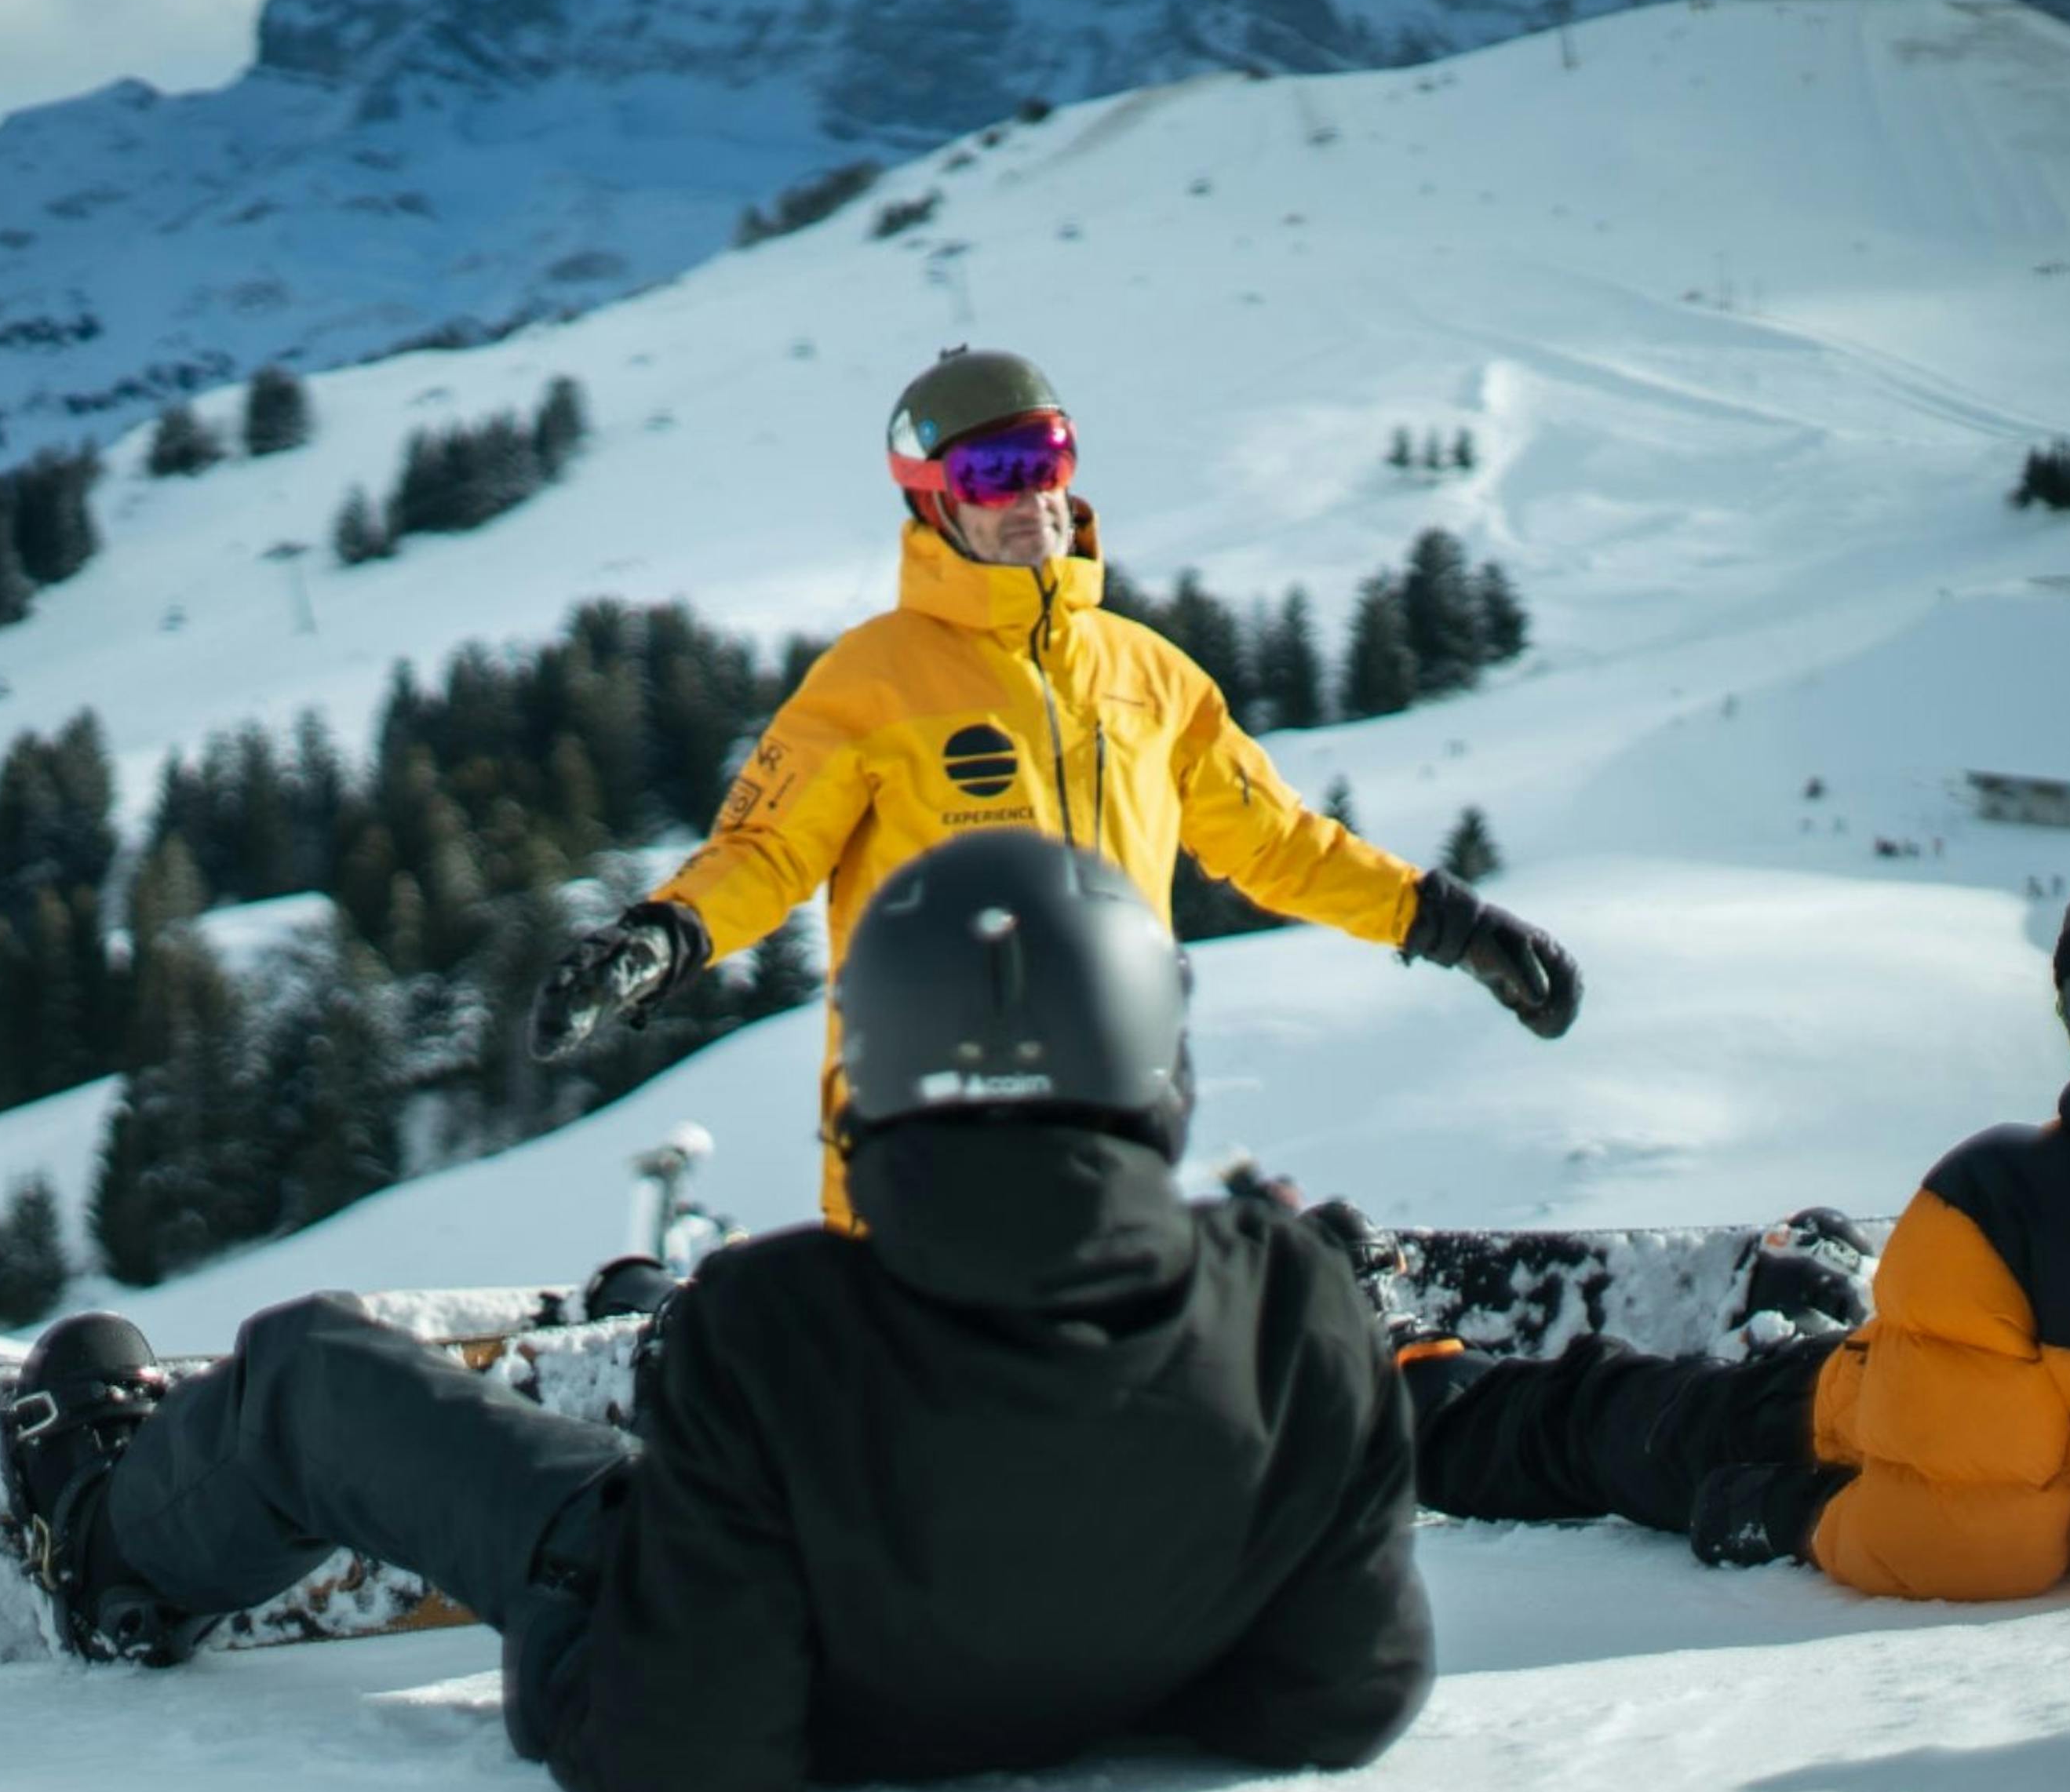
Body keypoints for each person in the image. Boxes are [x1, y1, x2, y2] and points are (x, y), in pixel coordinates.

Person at [0, 832, 1434, 1792]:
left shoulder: (781, 1325)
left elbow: (683, 1770)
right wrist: (1091, 1665)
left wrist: (582, 1645)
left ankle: (108, 1551)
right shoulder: (1294, 1301)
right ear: (1158, 1066)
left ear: (874, 1073)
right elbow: (1344, 1698)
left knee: (314, 1371)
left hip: (693, 1630)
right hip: (852, 1594)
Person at [530, 344, 1581, 1223]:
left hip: (1112, 1129)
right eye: (994, 472)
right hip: (915, 1149)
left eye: (1047, 458)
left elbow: (1278, 845)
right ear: (934, 499)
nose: (1030, 494)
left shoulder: (1148, 676)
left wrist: (1447, 923)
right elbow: (765, 853)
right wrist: (662, 939)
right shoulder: (872, 680)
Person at [1398, 822, 2070, 1597]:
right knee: (1835, 1357)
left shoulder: (2005, 1204)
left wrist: (1775, 1513)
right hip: (1961, 1413)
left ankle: (1408, 1397)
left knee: (1604, 1414)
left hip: (1840, 1428)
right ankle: (1810, 1300)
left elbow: (1959, 1546)